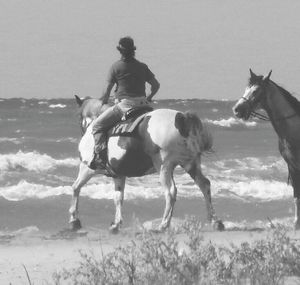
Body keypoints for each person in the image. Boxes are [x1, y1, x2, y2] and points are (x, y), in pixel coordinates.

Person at [90, 36, 160, 171]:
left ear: (120, 51)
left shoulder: (116, 67)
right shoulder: (142, 66)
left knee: (97, 126)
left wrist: (103, 101)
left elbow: (106, 92)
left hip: (125, 106)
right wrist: (150, 97)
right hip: (143, 105)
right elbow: (156, 85)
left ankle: (100, 158)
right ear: (133, 50)